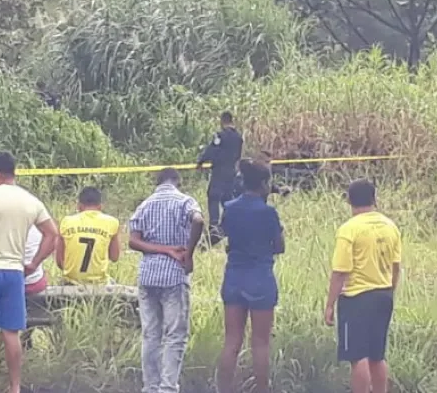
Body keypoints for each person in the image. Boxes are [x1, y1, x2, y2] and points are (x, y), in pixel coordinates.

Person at [0, 151, 60, 393]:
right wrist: (34, 263)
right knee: (11, 332)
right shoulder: (30, 201)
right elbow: (52, 233)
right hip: (15, 272)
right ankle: (14, 386)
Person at [128, 168, 205, 393]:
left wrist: (159, 249)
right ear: (177, 181)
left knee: (151, 333)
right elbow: (198, 220)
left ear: (157, 181)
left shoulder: (145, 204)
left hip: (148, 275)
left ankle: (150, 387)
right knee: (175, 335)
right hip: (173, 276)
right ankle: (168, 388)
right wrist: (187, 254)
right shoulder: (184, 201)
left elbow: (133, 241)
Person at [324, 179, 402, 393]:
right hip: (384, 294)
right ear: (374, 199)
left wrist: (330, 304)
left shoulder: (349, 229)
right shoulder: (390, 226)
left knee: (358, 357)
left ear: (349, 200)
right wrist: (390, 291)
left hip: (357, 298)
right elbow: (396, 267)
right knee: (378, 355)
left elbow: (340, 271)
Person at [217, 159, 285, 393]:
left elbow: (224, 235)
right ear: (264, 184)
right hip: (260, 278)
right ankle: (262, 389)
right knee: (260, 342)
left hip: (234, 276)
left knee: (232, 341)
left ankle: (223, 389)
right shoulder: (268, 212)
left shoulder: (230, 207)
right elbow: (279, 246)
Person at [55, 186, 121, 285]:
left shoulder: (66, 222)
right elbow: (114, 257)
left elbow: (60, 262)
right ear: (100, 206)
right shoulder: (112, 222)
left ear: (79, 206)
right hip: (99, 283)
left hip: (71, 282)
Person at [197, 111, 244, 246]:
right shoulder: (239, 138)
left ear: (223, 121)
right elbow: (238, 155)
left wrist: (201, 161)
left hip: (219, 170)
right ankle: (231, 221)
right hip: (232, 171)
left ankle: (214, 226)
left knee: (213, 195)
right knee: (227, 198)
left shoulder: (220, 135)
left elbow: (212, 149)